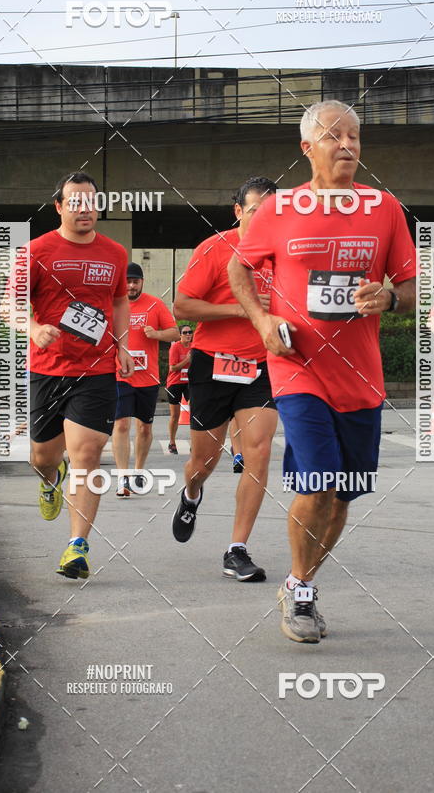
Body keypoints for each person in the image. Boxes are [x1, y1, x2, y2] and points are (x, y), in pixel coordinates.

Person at [229, 100, 416, 642]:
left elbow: (408, 289)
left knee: (344, 493)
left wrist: (387, 296)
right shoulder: (280, 208)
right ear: (307, 147)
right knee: (318, 479)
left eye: (355, 136)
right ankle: (303, 597)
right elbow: (238, 266)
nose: (349, 146)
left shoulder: (384, 208)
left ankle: (298, 582)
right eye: (335, 136)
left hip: (361, 377)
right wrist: (263, 320)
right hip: (298, 369)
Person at [25, 172, 134, 579]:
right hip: (48, 368)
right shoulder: (36, 251)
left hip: (97, 369)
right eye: (75, 201)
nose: (84, 208)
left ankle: (77, 547)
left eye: (90, 201)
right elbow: (9, 304)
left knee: (87, 455)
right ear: (59, 207)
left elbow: (120, 299)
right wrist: (34, 329)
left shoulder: (114, 253)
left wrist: (123, 345)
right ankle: (50, 479)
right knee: (42, 458)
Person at [171, 176, 279, 582]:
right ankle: (192, 493)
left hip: (262, 367)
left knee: (259, 451)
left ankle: (236, 549)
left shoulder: (286, 253)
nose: (264, 217)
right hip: (212, 364)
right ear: (238, 211)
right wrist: (242, 308)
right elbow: (183, 304)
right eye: (255, 210)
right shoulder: (214, 249)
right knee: (203, 462)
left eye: (271, 210)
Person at [113, 262, 179, 496]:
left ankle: (138, 472)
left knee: (144, 428)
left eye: (135, 281)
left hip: (148, 377)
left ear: (142, 282)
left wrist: (157, 334)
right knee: (121, 424)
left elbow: (176, 333)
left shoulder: (155, 304)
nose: (131, 285)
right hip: (120, 374)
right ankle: (122, 478)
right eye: (128, 281)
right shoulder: (113, 304)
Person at [166, 325, 193, 453]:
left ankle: (195, 443)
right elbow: (173, 368)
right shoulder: (175, 347)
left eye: (190, 332)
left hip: (189, 382)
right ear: (180, 335)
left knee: (195, 412)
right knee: (175, 415)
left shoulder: (194, 347)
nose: (188, 334)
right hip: (175, 382)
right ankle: (172, 442)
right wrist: (187, 359)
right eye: (185, 332)